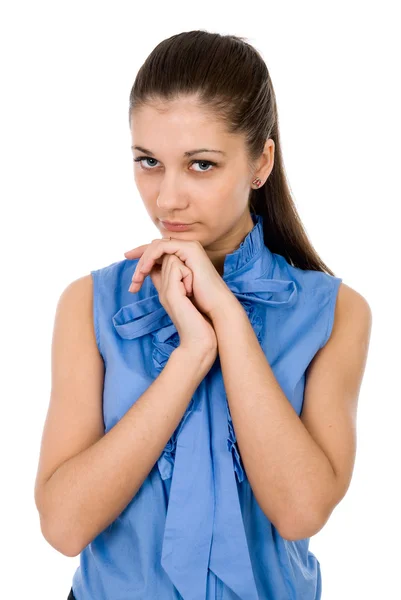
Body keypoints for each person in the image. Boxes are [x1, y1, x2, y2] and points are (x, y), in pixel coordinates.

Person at [34, 30, 372, 600]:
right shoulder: (88, 304)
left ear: (261, 161)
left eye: (201, 165)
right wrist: (190, 356)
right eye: (148, 161)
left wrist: (228, 322)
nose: (167, 198)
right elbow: (64, 528)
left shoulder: (335, 313)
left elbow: (300, 511)